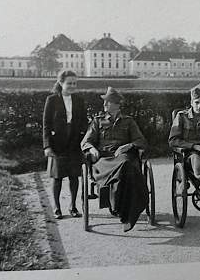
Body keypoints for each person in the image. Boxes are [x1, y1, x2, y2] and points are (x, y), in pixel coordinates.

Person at [81, 87, 149, 232]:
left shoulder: (129, 122)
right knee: (125, 167)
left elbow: (141, 141)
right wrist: (92, 149)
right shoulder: (97, 121)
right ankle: (120, 209)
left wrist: (128, 145)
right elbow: (85, 142)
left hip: (123, 157)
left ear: (117, 104)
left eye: (108, 102)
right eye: (104, 102)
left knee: (126, 163)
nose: (104, 105)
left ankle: (122, 211)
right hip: (103, 160)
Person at [43, 70, 88, 220]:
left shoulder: (79, 100)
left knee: (74, 176)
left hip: (75, 143)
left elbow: (83, 122)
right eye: (69, 83)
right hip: (58, 144)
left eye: (74, 83)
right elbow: (46, 125)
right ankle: (57, 207)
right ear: (61, 83)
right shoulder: (52, 100)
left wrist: (84, 140)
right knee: (57, 177)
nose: (72, 86)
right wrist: (47, 146)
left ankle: (73, 206)